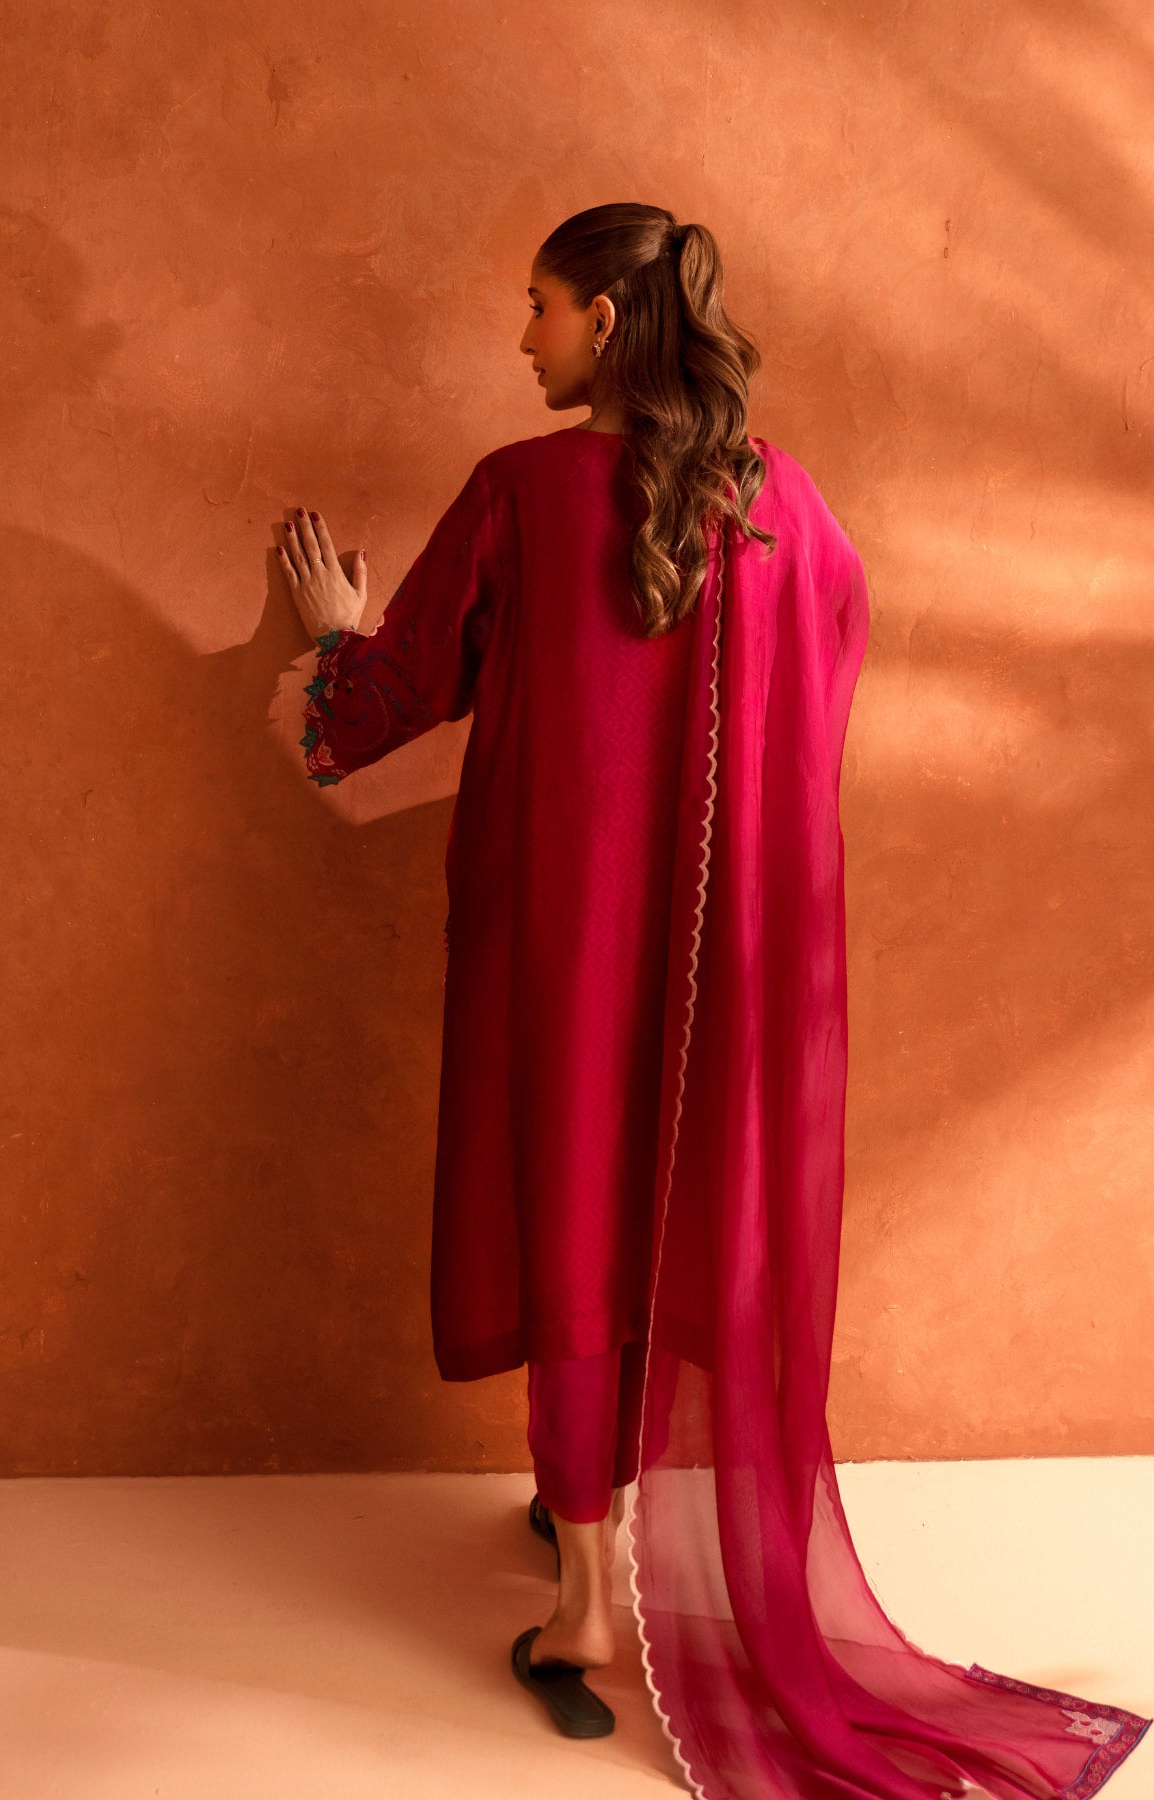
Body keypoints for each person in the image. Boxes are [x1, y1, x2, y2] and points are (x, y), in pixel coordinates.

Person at [278, 205, 1151, 1796]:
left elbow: (391, 696)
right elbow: (837, 656)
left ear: (607, 319)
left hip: (566, 933)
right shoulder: (783, 506)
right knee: (668, 1203)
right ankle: (592, 1507)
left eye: (536, 305)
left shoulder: (523, 494)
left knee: (569, 1195)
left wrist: (335, 643)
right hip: (730, 952)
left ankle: (586, 1610)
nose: (519, 335)